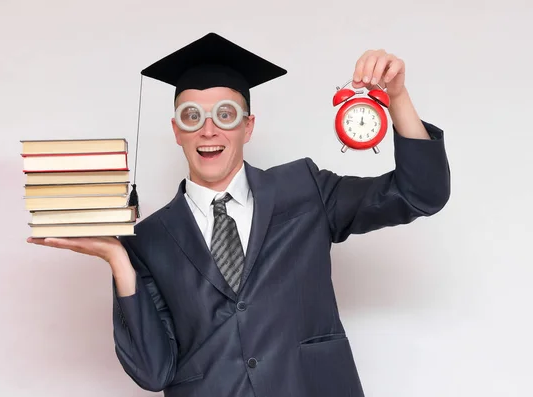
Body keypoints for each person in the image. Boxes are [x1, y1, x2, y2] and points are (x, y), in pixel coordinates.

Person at [28, 32, 450, 397]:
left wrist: (396, 98)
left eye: (224, 115)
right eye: (191, 116)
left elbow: (420, 194)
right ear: (176, 131)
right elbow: (153, 370)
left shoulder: (303, 189)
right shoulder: (150, 238)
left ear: (248, 127)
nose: (208, 129)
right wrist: (118, 260)